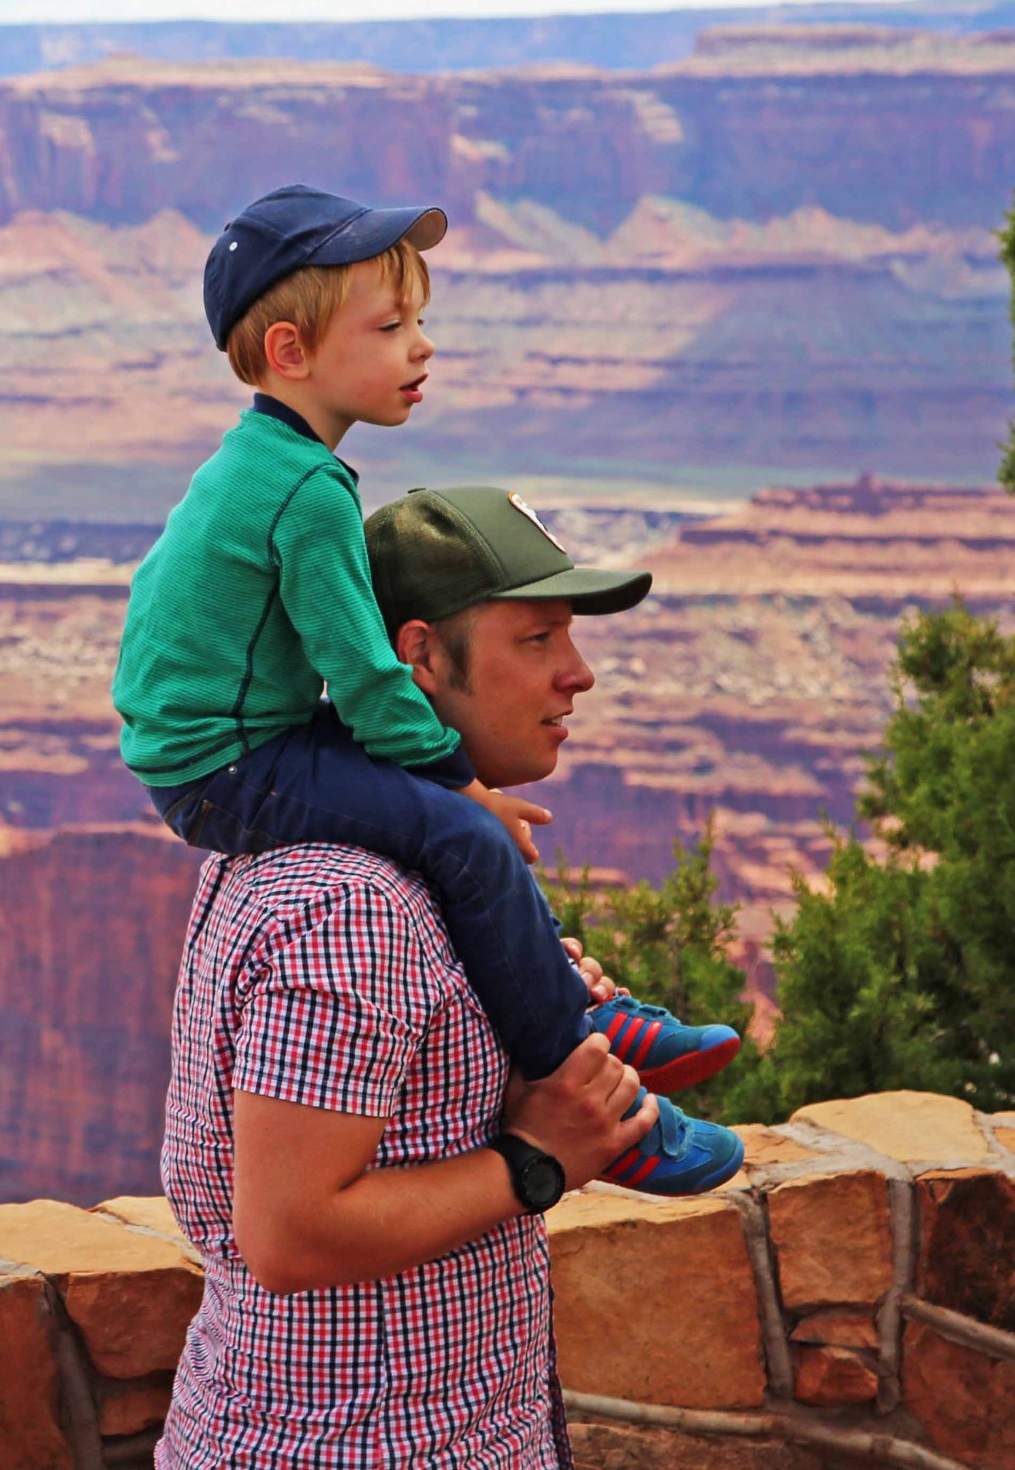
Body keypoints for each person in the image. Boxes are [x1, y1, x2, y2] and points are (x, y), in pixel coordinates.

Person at [115, 184, 741, 1192]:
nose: (422, 346)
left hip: (227, 744)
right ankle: (587, 1081)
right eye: (392, 324)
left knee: (438, 820)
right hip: (229, 765)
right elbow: (364, 669)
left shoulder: (260, 461)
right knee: (461, 835)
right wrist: (460, 782)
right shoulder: (304, 489)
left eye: (421, 322)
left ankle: (579, 999)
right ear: (291, 353)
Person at [159, 488, 745, 1468]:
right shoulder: (352, 904)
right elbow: (290, 1232)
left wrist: (527, 1031)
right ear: (419, 656)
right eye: (537, 638)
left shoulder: (405, 856)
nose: (578, 673)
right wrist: (538, 1156)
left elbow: (403, 1096)